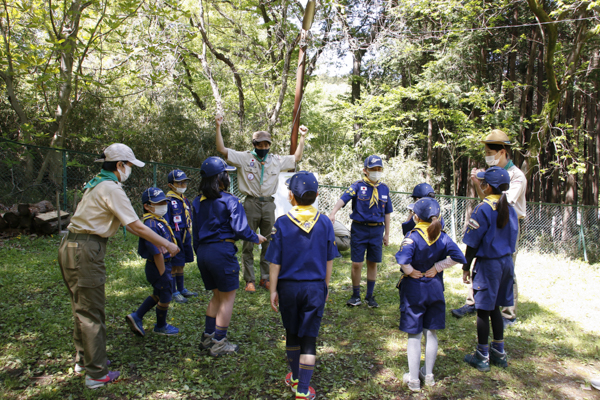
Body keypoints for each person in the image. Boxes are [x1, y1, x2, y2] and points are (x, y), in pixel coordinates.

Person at [58, 143, 180, 389]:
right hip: (86, 250)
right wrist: (167, 244)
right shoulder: (111, 188)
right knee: (92, 311)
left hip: (71, 247)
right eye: (130, 166)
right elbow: (135, 226)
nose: (130, 170)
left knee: (81, 307)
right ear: (119, 165)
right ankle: (96, 374)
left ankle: (85, 360)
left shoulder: (95, 183)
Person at [265, 171, 339, 400]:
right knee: (309, 339)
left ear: (290, 196)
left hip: (288, 288)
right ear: (316, 195)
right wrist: (325, 286)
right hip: (315, 288)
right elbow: (329, 259)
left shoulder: (282, 223)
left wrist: (273, 289)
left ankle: (295, 377)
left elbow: (274, 262)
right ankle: (303, 390)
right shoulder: (325, 222)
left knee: (291, 333)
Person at [215, 113, 308, 293]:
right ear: (254, 145)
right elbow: (222, 149)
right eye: (260, 144)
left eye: (266, 144)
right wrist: (218, 126)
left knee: (269, 241)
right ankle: (249, 279)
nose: (263, 147)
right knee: (248, 242)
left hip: (268, 205)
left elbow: (296, 157)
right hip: (250, 203)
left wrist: (302, 137)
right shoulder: (244, 158)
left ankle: (265, 278)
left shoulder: (276, 160)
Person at [192, 157, 267, 356]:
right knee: (227, 299)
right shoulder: (230, 200)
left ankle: (207, 337)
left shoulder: (197, 202)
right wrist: (256, 237)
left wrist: (200, 252)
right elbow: (241, 229)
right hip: (222, 253)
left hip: (204, 253)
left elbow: (195, 233)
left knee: (216, 296)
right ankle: (219, 342)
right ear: (221, 177)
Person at [451, 129, 526, 327]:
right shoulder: (491, 172)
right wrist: (478, 183)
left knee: (506, 264)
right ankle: (473, 302)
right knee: (480, 263)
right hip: (489, 220)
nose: (487, 156)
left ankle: (508, 313)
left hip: (507, 224)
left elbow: (503, 202)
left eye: (489, 151)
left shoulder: (517, 176)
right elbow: (488, 200)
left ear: (502, 151)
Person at [395, 197, 466, 391]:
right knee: (431, 331)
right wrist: (438, 266)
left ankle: (413, 380)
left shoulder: (412, 236)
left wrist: (409, 271)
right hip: (435, 288)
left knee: (414, 335)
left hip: (414, 290)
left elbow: (402, 259)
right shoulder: (442, 236)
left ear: (416, 217)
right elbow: (460, 257)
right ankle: (428, 375)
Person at [462, 167, 518, 372]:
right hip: (506, 264)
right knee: (494, 307)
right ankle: (499, 352)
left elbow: (473, 242)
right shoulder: (509, 207)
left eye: (483, 182)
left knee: (483, 310)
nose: (481, 185)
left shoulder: (483, 209)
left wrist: (466, 266)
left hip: (489, 265)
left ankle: (482, 355)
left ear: (488, 186)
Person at [328, 155, 393, 308]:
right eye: (372, 169)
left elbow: (388, 213)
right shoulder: (357, 186)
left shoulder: (384, 189)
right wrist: (333, 213)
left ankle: (370, 296)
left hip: (377, 230)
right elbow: (344, 198)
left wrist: (387, 234)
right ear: (365, 170)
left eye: (379, 169)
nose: (376, 172)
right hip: (360, 229)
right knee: (357, 263)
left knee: (372, 263)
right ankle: (355, 295)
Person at [126, 188, 179, 337]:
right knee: (165, 296)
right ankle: (161, 326)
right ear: (147, 206)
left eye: (164, 202)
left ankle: (137, 316)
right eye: (158, 203)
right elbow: (157, 253)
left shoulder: (157, 221)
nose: (163, 205)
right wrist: (163, 274)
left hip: (163, 264)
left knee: (158, 293)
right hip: (158, 266)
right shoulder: (151, 225)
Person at [166, 169, 198, 304]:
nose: (182, 185)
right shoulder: (168, 200)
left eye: (184, 182)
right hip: (175, 234)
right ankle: (173, 291)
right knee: (174, 263)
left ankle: (181, 288)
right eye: (179, 182)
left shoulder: (183, 199)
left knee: (181, 263)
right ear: (171, 185)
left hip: (185, 233)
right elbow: (166, 221)